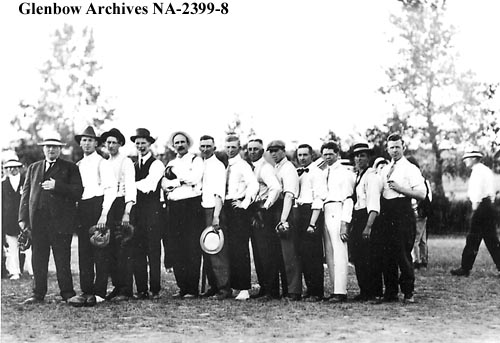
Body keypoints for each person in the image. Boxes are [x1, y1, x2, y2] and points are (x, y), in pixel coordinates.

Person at [19, 137, 83, 304]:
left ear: (60, 149)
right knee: (38, 258)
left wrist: (58, 186)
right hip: (38, 222)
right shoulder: (34, 168)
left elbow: (77, 191)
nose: (51, 150)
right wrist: (22, 219)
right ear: (43, 149)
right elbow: (26, 195)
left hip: (61, 222)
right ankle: (37, 294)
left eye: (55, 147)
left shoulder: (70, 168)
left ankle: (68, 294)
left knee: (62, 259)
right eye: (48, 147)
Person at [68, 126, 117, 307]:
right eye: (84, 140)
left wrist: (104, 214)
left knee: (100, 250)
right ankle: (86, 291)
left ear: (96, 143)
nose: (86, 143)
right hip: (83, 208)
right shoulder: (79, 165)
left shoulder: (102, 163)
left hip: (99, 206)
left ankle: (99, 293)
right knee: (84, 252)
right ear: (80, 143)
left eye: (90, 140)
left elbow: (111, 189)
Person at [378, 133, 426, 303]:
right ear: (387, 149)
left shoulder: (410, 168)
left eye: (398, 147)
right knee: (387, 254)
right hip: (387, 212)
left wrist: (401, 189)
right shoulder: (384, 169)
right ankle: (390, 292)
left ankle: (408, 292)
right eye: (391, 147)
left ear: (403, 147)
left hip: (403, 211)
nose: (395, 150)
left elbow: (422, 194)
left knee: (403, 253)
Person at [162, 131, 204, 298]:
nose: (179, 145)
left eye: (182, 142)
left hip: (191, 206)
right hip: (174, 206)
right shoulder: (171, 163)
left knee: (191, 245)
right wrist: (179, 182)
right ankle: (182, 286)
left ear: (188, 144)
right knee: (176, 245)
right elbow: (165, 185)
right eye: (176, 142)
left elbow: (194, 178)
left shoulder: (196, 160)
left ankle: (192, 288)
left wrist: (176, 181)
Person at [100, 128, 137, 302]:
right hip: (109, 206)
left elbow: (130, 187)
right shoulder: (106, 161)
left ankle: (126, 289)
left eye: (114, 142)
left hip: (123, 205)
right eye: (108, 142)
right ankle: (116, 286)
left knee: (124, 248)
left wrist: (127, 212)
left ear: (120, 144)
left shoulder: (126, 162)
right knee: (112, 249)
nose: (111, 145)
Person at [450, 150, 500, 277]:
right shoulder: (487, 170)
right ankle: (466, 267)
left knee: (473, 238)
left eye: (467, 158)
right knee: (491, 239)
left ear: (474, 159)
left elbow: (476, 191)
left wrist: (475, 209)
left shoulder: (477, 172)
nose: (465, 160)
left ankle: (465, 268)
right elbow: (492, 191)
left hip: (481, 206)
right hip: (489, 205)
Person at [223, 135, 259, 301]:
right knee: (230, 248)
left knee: (241, 248)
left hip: (238, 209)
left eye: (233, 147)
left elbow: (254, 185)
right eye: (228, 147)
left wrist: (244, 204)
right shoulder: (226, 165)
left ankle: (244, 288)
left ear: (239, 148)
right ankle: (233, 285)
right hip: (226, 207)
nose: (230, 150)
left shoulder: (243, 165)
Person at [131, 128, 164, 299]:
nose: (140, 146)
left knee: (153, 251)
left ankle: (155, 289)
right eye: (138, 143)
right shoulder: (134, 165)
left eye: (143, 143)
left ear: (150, 144)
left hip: (153, 214)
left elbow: (149, 185)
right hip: (137, 214)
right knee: (138, 251)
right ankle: (142, 289)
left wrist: (130, 185)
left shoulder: (157, 164)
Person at [247, 138, 282, 300]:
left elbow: (275, 188)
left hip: (264, 212)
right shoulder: (251, 168)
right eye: (250, 149)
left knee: (267, 251)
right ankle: (264, 287)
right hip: (254, 210)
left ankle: (272, 290)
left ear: (262, 152)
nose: (252, 152)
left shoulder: (265, 168)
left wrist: (265, 206)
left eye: (256, 149)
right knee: (258, 252)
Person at [267, 140, 301, 301]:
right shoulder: (276, 167)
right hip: (277, 209)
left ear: (283, 150)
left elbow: (289, 195)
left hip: (286, 210)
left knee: (290, 253)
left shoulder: (288, 169)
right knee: (280, 254)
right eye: (271, 151)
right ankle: (287, 289)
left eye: (276, 150)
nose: (273, 154)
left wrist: (283, 219)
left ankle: (294, 290)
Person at [321, 141, 355, 303]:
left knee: (340, 251)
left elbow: (348, 199)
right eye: (325, 154)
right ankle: (335, 289)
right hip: (325, 210)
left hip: (338, 210)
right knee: (329, 253)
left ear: (337, 154)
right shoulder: (324, 171)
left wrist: (344, 222)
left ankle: (341, 291)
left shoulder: (345, 172)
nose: (327, 157)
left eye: (330, 154)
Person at [198, 135, 231, 300]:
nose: (205, 149)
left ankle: (224, 288)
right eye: (202, 146)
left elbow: (219, 192)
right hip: (202, 207)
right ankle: (213, 286)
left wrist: (216, 215)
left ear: (214, 147)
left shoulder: (217, 166)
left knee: (217, 249)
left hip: (214, 209)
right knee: (206, 249)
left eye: (208, 146)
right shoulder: (200, 164)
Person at [349, 142, 383, 301]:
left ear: (369, 158)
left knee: (371, 257)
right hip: (358, 216)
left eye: (362, 155)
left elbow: (374, 204)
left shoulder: (372, 177)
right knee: (359, 256)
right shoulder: (358, 176)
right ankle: (365, 290)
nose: (359, 158)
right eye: (356, 155)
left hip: (369, 218)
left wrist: (368, 226)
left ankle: (375, 291)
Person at [294, 144, 327, 302]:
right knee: (304, 254)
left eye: (305, 155)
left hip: (312, 214)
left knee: (314, 254)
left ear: (312, 155)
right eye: (299, 155)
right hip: (300, 213)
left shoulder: (317, 173)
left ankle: (317, 291)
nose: (302, 158)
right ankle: (310, 288)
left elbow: (319, 199)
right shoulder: (299, 173)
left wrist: (312, 223)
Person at [2, 158, 32, 280]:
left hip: (25, 219)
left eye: (15, 167)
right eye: (9, 167)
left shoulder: (26, 182)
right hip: (9, 220)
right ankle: (14, 271)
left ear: (19, 168)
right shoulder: (3, 184)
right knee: (12, 247)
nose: (12, 169)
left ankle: (33, 271)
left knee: (28, 247)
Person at [406, 156, 432, 270]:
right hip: (424, 212)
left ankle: (416, 261)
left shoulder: (413, 182)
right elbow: (429, 197)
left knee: (415, 238)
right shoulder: (425, 181)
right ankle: (424, 259)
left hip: (416, 212)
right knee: (423, 238)